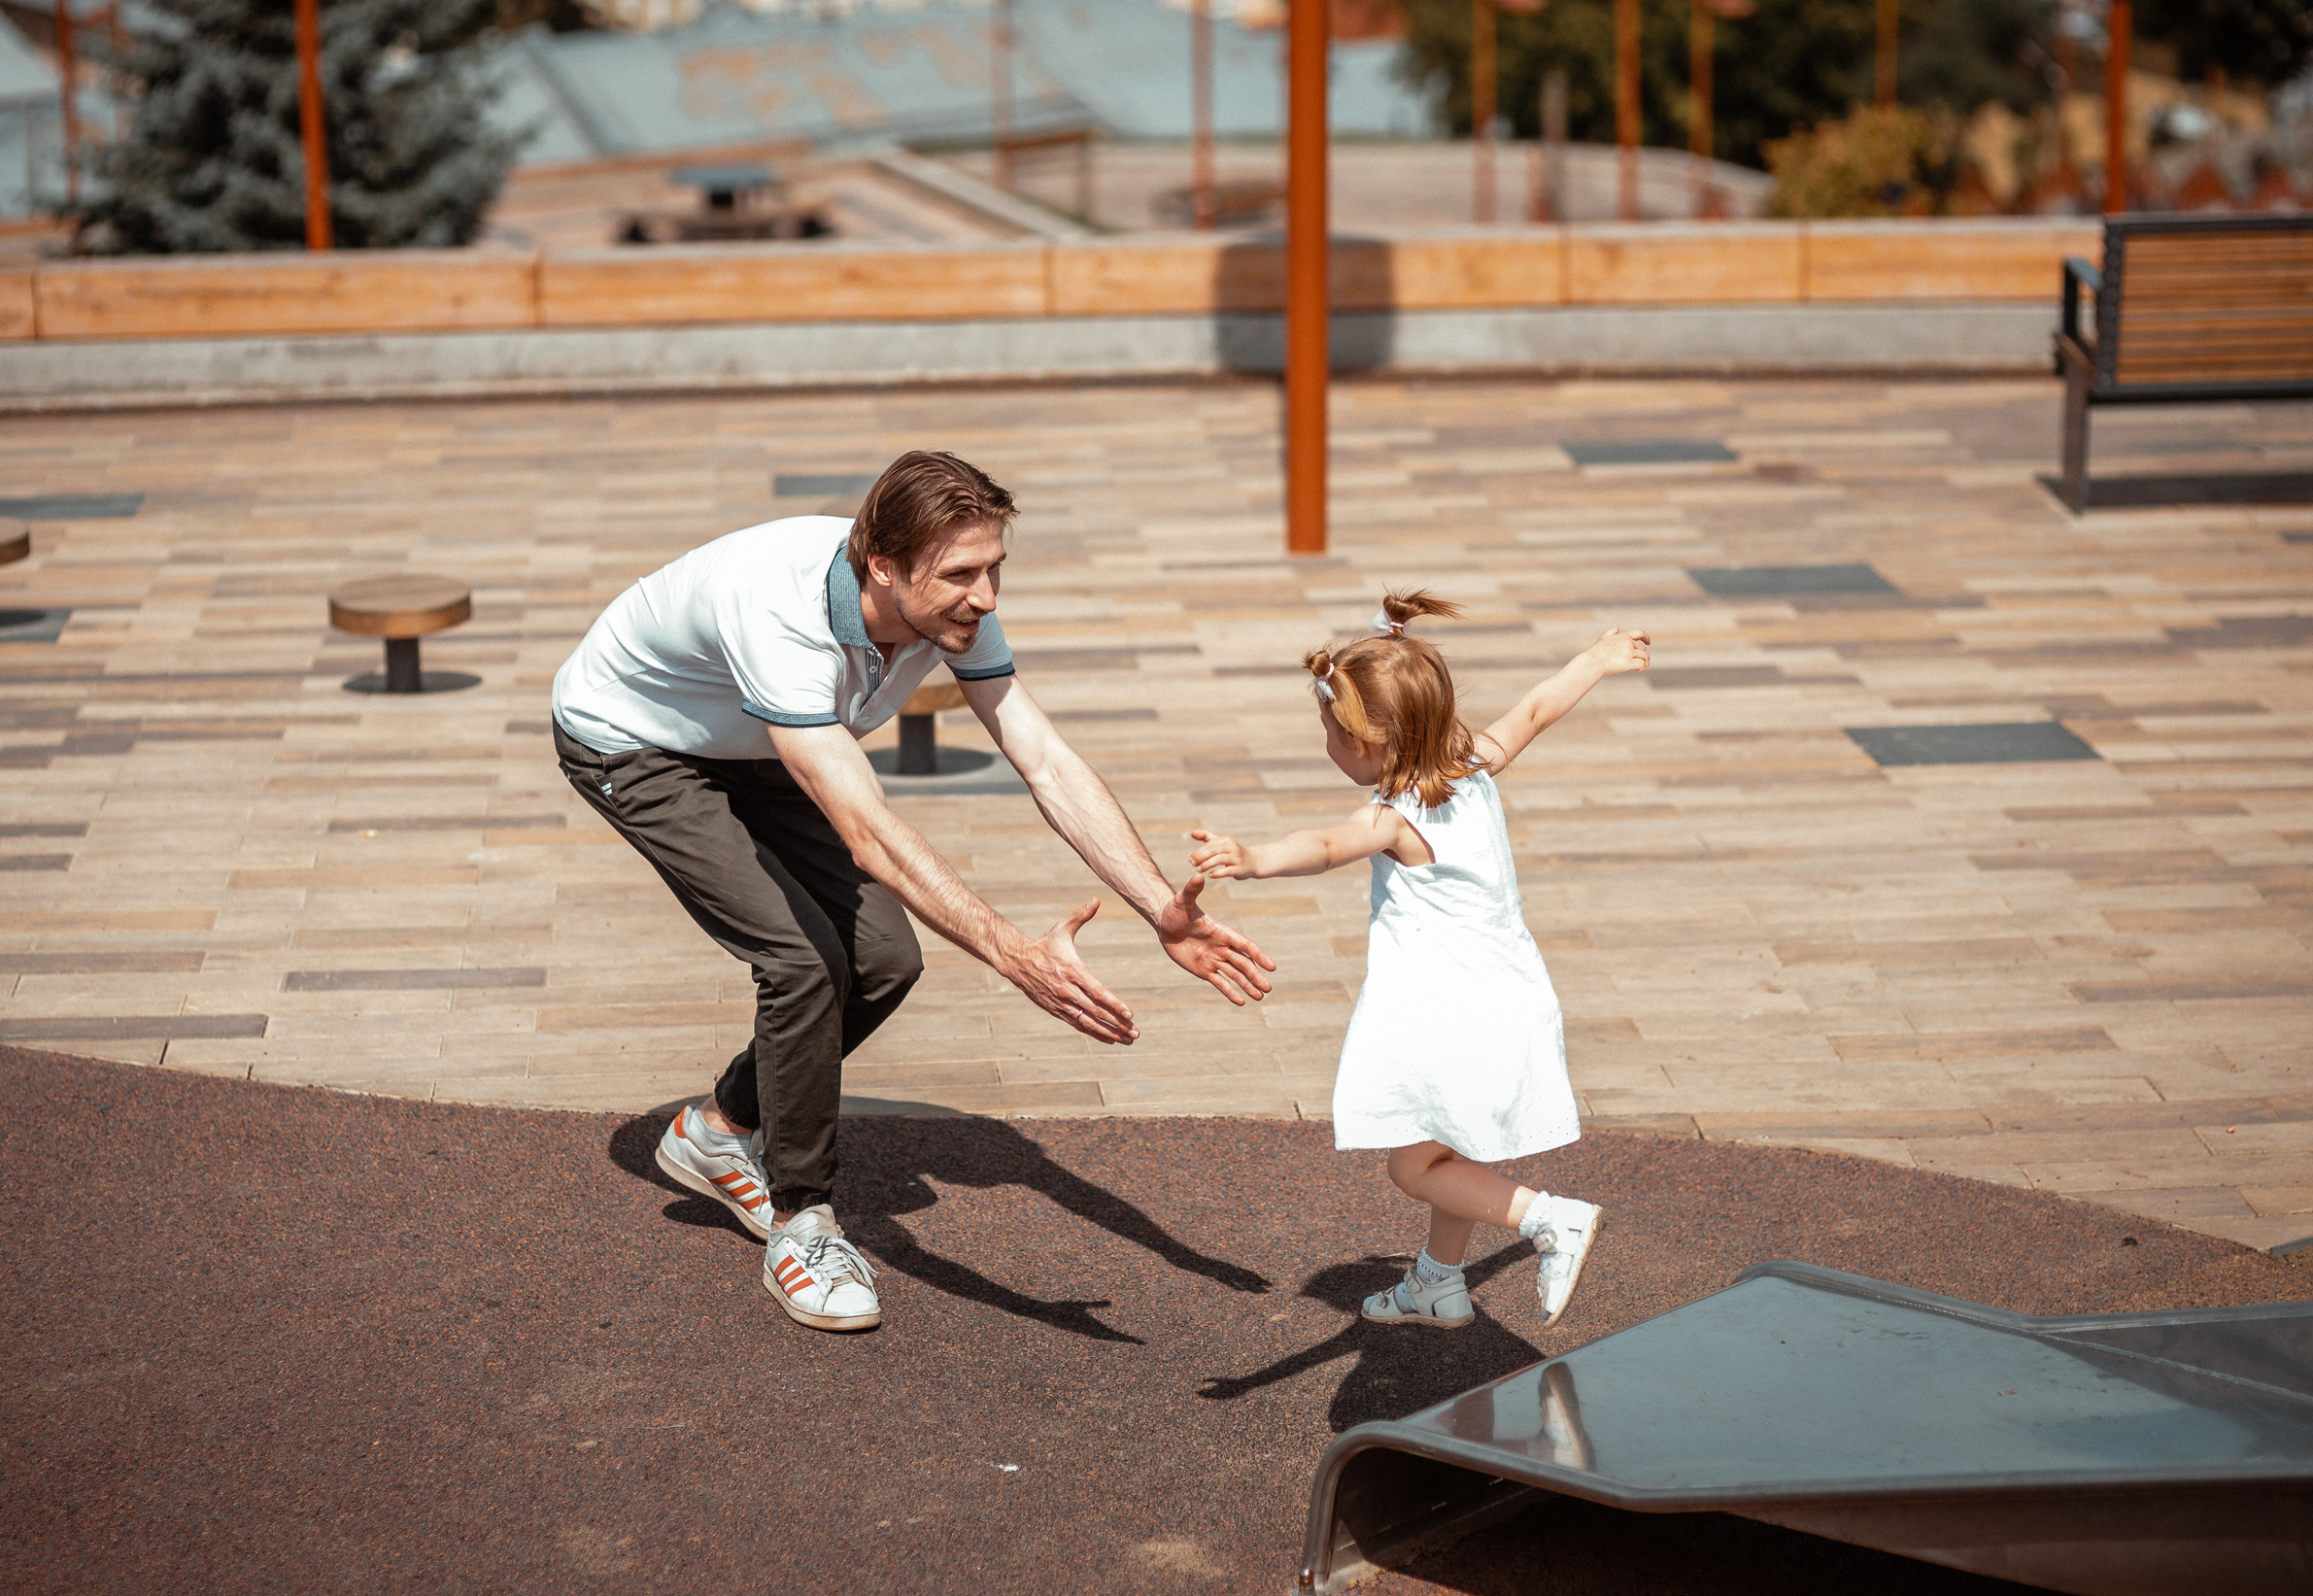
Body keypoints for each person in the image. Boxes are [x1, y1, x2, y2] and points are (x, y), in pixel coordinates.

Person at [551, 451, 1276, 1333]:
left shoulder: (955, 617)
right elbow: (867, 829)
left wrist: (1161, 907)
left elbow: (1042, 757)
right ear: (881, 565)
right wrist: (1014, 954)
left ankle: (718, 1127)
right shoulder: (776, 610)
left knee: (885, 961)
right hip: (639, 742)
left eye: (996, 567)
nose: (988, 596)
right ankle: (802, 1220)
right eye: (962, 574)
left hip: (764, 736)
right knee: (803, 963)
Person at [1182, 593, 1650, 1329]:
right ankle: (1435, 1280)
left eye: (1332, 734)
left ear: (1367, 746)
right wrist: (1595, 660)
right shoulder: (1475, 765)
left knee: (1414, 1164)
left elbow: (1330, 844)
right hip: (1512, 995)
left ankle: (1550, 1218)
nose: (1328, 747)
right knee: (1451, 1147)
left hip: (1451, 1010)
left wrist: (1255, 858)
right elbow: (1532, 711)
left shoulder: (1394, 814)